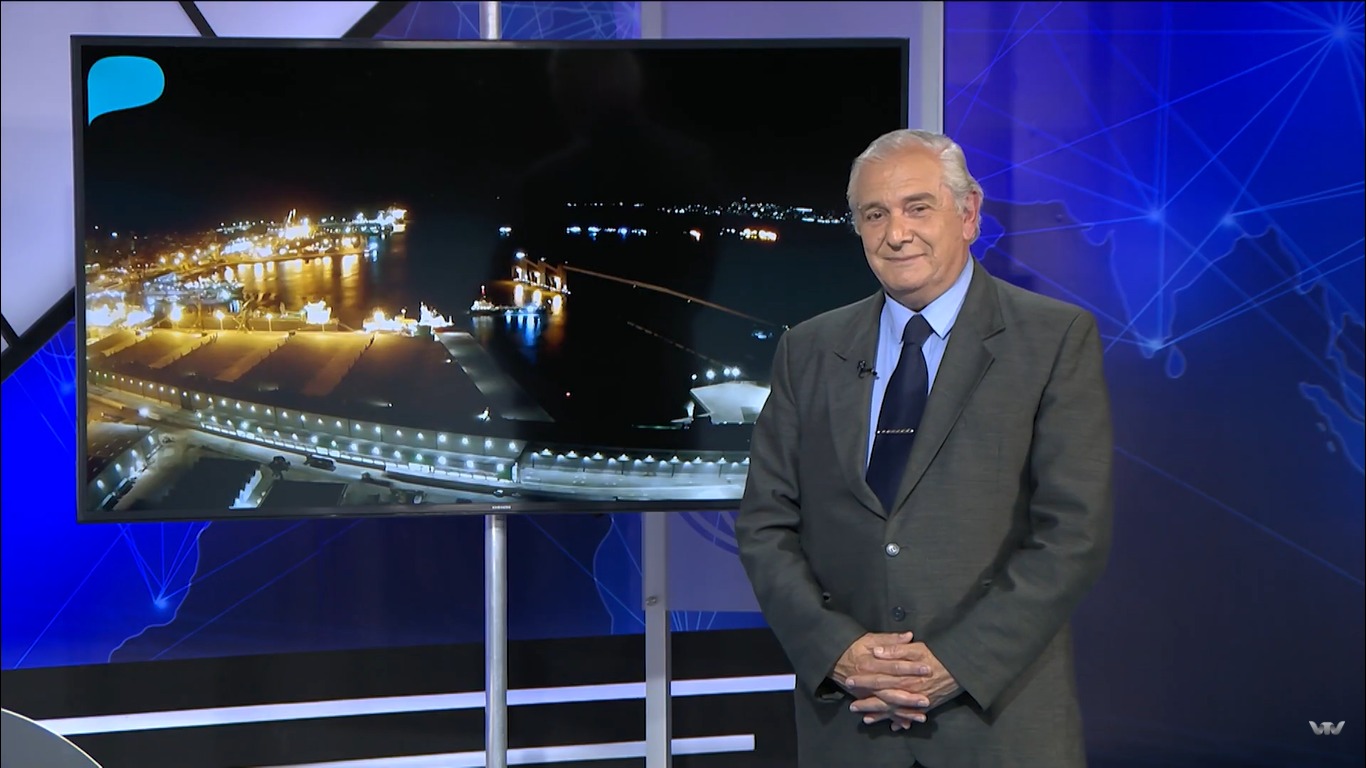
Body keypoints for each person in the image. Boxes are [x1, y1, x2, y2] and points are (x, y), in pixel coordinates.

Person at [735, 129, 1113, 768]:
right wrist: (839, 653)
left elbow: (1073, 534)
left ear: (968, 214)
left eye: (917, 207)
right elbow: (765, 523)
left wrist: (954, 664)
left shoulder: (1053, 339)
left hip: (997, 729)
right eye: (874, 214)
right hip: (850, 726)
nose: (896, 233)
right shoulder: (808, 349)